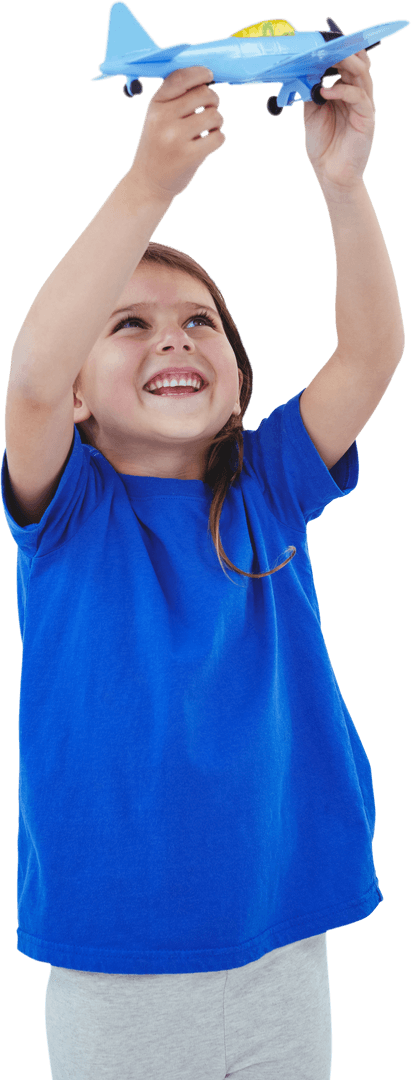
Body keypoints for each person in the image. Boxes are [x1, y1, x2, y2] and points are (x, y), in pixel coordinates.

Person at [1, 54, 404, 1080]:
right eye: (127, 323)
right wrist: (148, 189)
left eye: (199, 323)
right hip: (120, 967)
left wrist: (344, 185)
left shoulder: (266, 487)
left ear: (234, 381)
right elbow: (33, 379)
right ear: (85, 399)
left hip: (285, 939)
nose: (172, 338)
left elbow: (369, 353)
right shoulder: (71, 512)